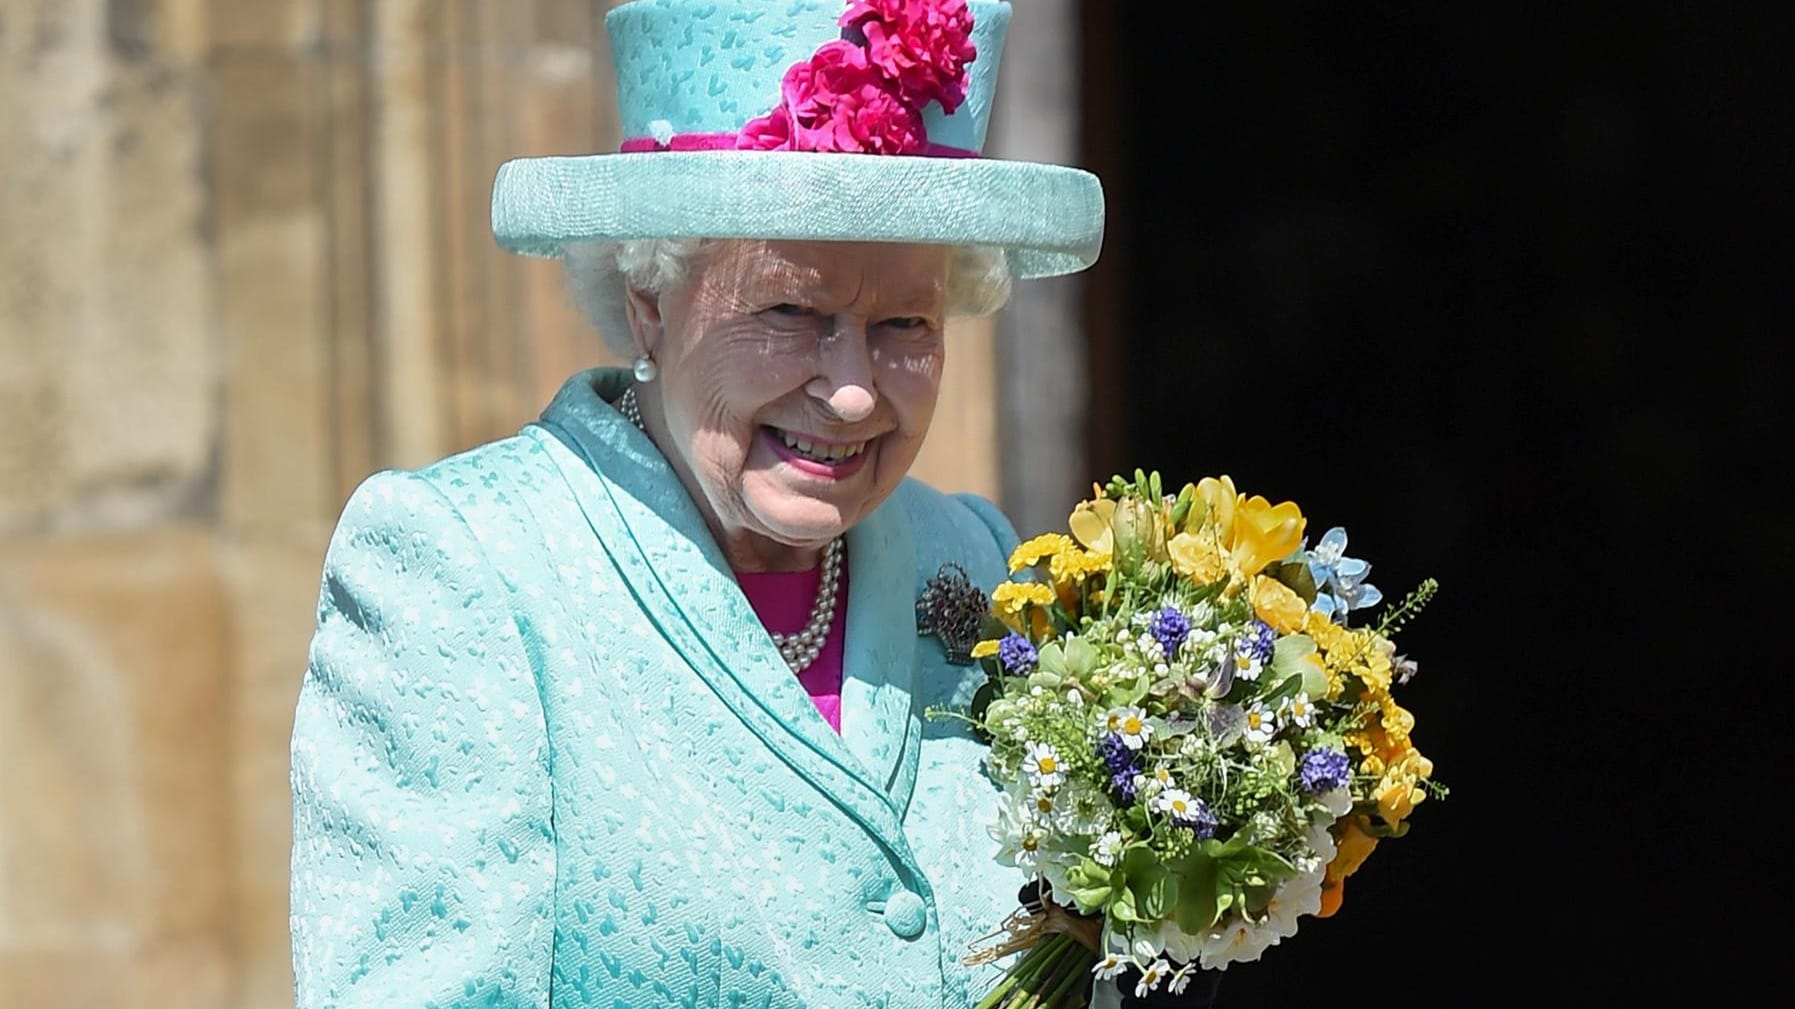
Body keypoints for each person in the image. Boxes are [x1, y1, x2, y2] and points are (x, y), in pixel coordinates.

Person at [287, 2, 1210, 1006]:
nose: (854, 391)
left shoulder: (977, 559)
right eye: (790, 311)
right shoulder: (462, 561)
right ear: (650, 297)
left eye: (905, 321)